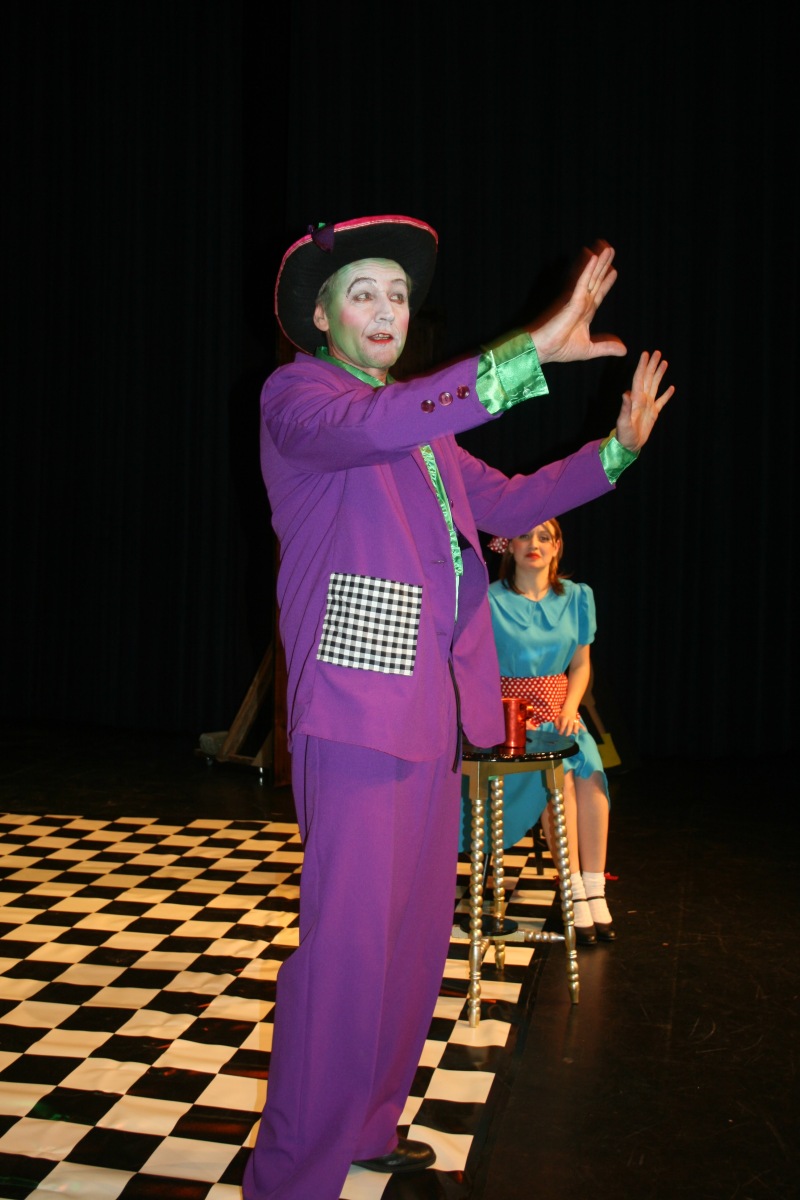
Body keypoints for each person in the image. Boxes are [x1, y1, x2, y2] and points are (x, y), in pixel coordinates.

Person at [242, 214, 674, 1200]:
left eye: (396, 294)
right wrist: (529, 354)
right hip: (355, 709)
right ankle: (292, 1178)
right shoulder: (299, 399)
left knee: (408, 942)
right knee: (346, 953)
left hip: (432, 715)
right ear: (321, 317)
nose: (385, 308)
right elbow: (377, 426)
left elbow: (511, 500)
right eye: (361, 292)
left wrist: (614, 452)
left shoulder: (421, 430)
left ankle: (366, 1126)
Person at [463, 517, 615, 946]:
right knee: (559, 780)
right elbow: (473, 667)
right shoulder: (489, 600)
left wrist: (569, 708)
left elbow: (581, 665)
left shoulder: (577, 597)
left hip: (563, 716)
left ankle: (594, 889)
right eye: (524, 536)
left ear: (557, 547)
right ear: (508, 546)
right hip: (513, 724)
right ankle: (572, 891)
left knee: (593, 778)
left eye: (544, 537)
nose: (534, 543)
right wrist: (506, 714)